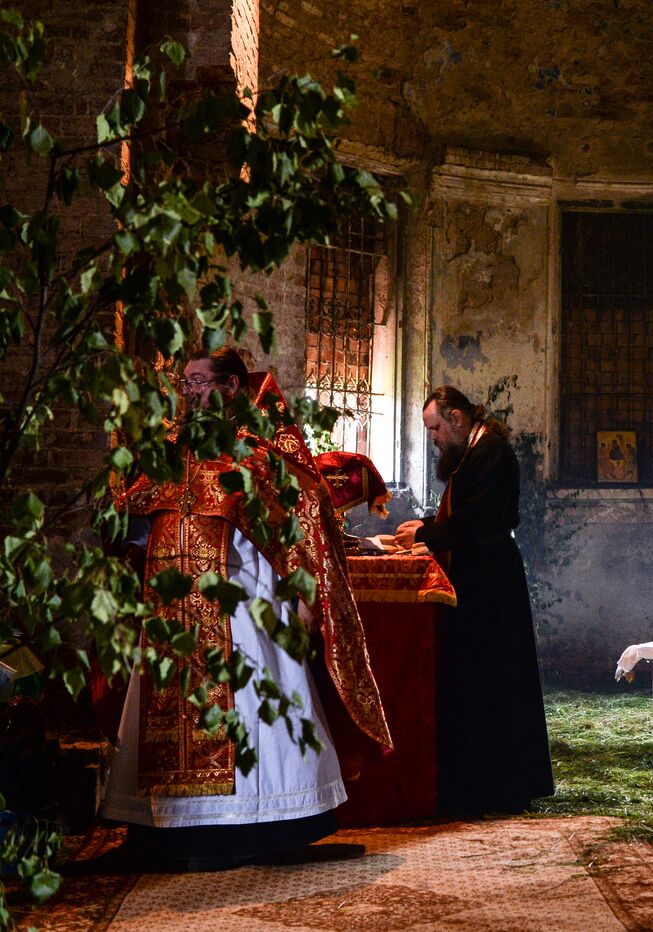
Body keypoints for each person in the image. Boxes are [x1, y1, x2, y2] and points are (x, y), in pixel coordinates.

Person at [100, 348, 392, 871]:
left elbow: (295, 529)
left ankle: (255, 827)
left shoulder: (254, 456)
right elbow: (134, 518)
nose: (187, 392)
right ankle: (163, 830)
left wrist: (302, 595)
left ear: (231, 387)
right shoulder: (166, 453)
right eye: (183, 382)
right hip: (170, 614)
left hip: (240, 611)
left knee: (253, 713)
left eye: (197, 382)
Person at [395, 386, 554, 817]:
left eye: (436, 429)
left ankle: (497, 787)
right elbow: (465, 514)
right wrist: (427, 525)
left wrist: (425, 534)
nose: (434, 438)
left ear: (458, 419)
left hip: (491, 584)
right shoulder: (475, 453)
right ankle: (478, 783)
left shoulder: (493, 454)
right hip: (479, 577)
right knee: (476, 680)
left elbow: (480, 521)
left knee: (492, 678)